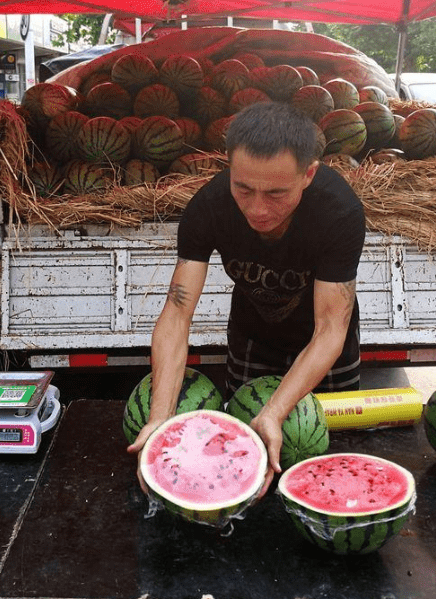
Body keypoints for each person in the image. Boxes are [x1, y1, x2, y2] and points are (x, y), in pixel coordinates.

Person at [127, 102, 366, 495]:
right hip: (253, 336)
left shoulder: (339, 211)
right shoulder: (208, 207)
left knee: (327, 461)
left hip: (323, 348)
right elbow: (177, 313)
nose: (257, 208)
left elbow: (330, 327)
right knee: (242, 457)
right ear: (230, 167)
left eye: (276, 193)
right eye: (244, 188)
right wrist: (160, 419)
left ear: (308, 174)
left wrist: (273, 411)